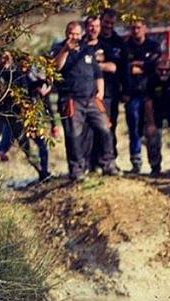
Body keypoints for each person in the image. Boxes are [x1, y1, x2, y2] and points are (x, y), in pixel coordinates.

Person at [52, 21, 118, 180]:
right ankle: (77, 169)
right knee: (74, 135)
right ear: (66, 33)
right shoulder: (58, 48)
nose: (74, 36)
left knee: (105, 128)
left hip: (92, 99)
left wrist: (100, 92)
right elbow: (55, 67)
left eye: (76, 33)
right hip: (71, 99)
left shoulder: (87, 50)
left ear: (81, 34)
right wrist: (66, 50)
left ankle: (108, 164)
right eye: (71, 33)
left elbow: (98, 73)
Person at [122, 19, 161, 174]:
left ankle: (156, 164)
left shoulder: (153, 46)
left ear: (145, 28)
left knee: (152, 129)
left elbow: (155, 65)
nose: (136, 30)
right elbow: (124, 69)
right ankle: (136, 162)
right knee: (134, 130)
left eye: (138, 27)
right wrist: (139, 65)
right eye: (133, 28)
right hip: (132, 94)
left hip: (151, 93)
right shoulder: (125, 47)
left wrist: (139, 66)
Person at [99, 9, 127, 157]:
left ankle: (109, 159)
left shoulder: (119, 43)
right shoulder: (91, 40)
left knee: (110, 126)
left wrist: (125, 91)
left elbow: (123, 69)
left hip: (111, 92)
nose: (108, 26)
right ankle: (93, 162)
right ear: (100, 21)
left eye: (111, 23)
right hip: (91, 92)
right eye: (106, 22)